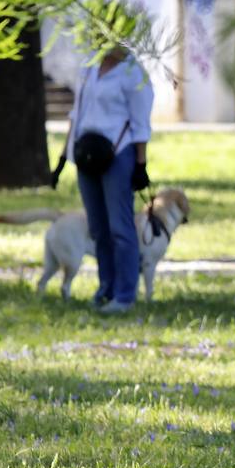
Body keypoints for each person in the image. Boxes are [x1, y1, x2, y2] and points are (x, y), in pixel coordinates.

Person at [68, 42, 153, 314]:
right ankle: (106, 287)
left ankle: (125, 295)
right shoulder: (90, 65)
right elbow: (77, 113)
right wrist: (63, 157)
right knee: (98, 228)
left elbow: (141, 122)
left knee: (120, 227)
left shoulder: (133, 72)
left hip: (117, 154)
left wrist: (140, 164)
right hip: (86, 153)